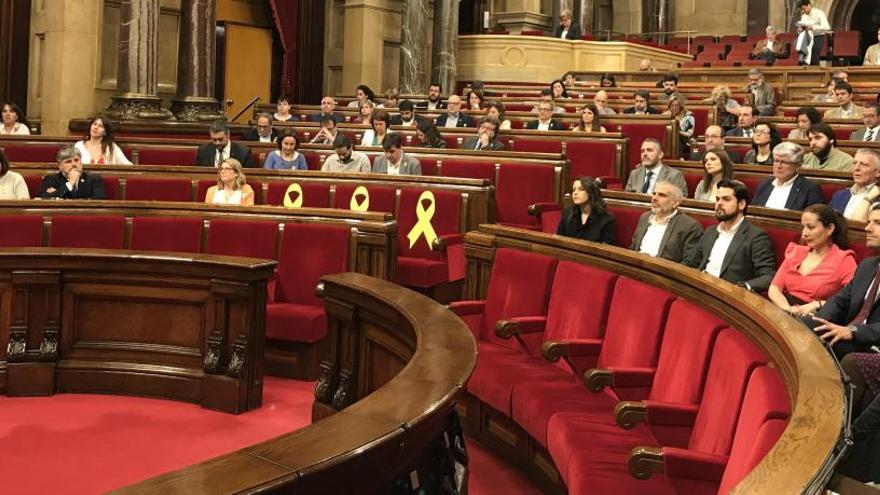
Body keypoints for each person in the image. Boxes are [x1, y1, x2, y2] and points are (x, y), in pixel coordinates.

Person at [802, 202, 880, 358]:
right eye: (868, 222)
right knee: (806, 324)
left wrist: (852, 331)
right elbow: (840, 301)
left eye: (877, 223)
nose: (867, 228)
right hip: (851, 335)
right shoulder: (867, 265)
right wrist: (820, 321)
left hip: (873, 344)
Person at [682, 179, 777, 293]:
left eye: (726, 199)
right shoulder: (710, 231)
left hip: (728, 296)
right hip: (700, 289)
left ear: (741, 204)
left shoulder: (756, 236)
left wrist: (741, 288)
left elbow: (767, 276)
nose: (719, 203)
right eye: (717, 199)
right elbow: (691, 262)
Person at [768, 204, 856, 316]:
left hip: (816, 316)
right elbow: (774, 288)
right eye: (803, 227)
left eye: (811, 227)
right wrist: (788, 309)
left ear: (830, 229)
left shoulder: (844, 259)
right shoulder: (796, 251)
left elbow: (853, 299)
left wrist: (818, 305)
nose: (804, 234)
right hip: (785, 311)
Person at [630, 181, 702, 262]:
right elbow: (633, 248)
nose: (654, 198)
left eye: (662, 195)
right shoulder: (645, 217)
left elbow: (689, 262)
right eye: (654, 194)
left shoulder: (689, 226)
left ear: (676, 203)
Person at [752, 141, 823, 211]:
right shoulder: (765, 183)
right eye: (776, 161)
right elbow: (754, 211)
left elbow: (814, 218)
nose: (778, 166)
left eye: (784, 162)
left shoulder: (810, 188)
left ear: (797, 166)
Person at [555, 176, 615, 244]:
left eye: (581, 189)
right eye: (573, 190)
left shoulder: (606, 219)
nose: (575, 193)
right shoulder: (567, 213)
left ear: (591, 192)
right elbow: (559, 240)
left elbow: (606, 249)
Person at [624, 138, 688, 196]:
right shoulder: (634, 174)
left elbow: (681, 199)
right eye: (642, 151)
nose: (644, 154)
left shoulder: (674, 175)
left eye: (649, 150)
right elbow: (627, 198)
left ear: (660, 155)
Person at [38, 146, 105, 200]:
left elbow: (99, 199)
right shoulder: (50, 179)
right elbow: (45, 198)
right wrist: (70, 183)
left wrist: (58, 195)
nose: (74, 164)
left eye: (76, 160)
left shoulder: (94, 179)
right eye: (68, 161)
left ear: (81, 162)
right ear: (60, 166)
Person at [838, 150, 880, 222]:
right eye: (854, 163)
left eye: (864, 165)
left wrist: (868, 199)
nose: (856, 168)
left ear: (878, 172)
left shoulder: (878, 197)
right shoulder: (839, 195)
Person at [797, 0, 830, 66]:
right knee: (805, 59)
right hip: (807, 38)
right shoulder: (804, 16)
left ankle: (817, 75)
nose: (803, 11)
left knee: (814, 58)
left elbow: (827, 27)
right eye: (802, 10)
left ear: (809, 5)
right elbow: (802, 27)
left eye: (804, 9)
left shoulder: (819, 13)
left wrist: (812, 27)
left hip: (818, 37)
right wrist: (800, 29)